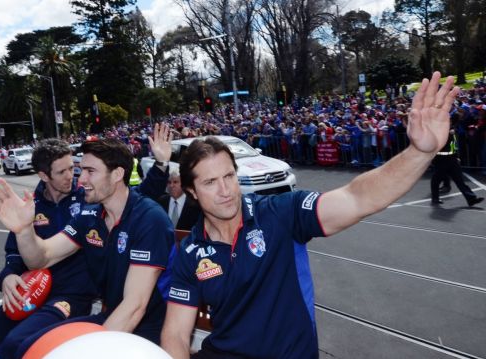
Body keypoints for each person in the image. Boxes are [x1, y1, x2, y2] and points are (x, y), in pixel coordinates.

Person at [161, 72, 461, 358]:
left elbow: (357, 198)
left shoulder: (281, 212)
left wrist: (419, 152)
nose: (225, 190)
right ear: (191, 192)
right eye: (210, 182)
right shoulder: (190, 251)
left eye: (229, 176)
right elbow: (175, 333)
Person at [0, 125, 172, 358]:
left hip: (144, 332)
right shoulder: (90, 215)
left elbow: (134, 306)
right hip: (109, 318)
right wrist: (23, 230)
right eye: (80, 170)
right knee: (25, 347)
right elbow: (41, 258)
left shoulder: (149, 219)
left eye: (90, 171)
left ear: (118, 174)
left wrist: (90, 352)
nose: (80, 180)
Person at [430, 127, 484, 206]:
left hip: (452, 159)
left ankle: (471, 199)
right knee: (436, 179)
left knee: (460, 180)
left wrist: (456, 156)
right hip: (440, 160)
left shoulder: (452, 133)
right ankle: (435, 198)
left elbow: (454, 146)